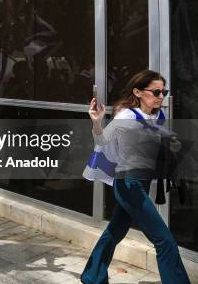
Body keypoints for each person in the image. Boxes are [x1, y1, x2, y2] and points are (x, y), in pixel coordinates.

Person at [81, 70, 190, 284]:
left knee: (115, 230)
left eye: (164, 91)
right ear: (138, 92)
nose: (161, 96)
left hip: (143, 181)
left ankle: (92, 276)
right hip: (128, 185)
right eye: (156, 92)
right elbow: (102, 141)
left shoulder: (159, 115)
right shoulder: (126, 117)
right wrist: (96, 121)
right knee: (164, 240)